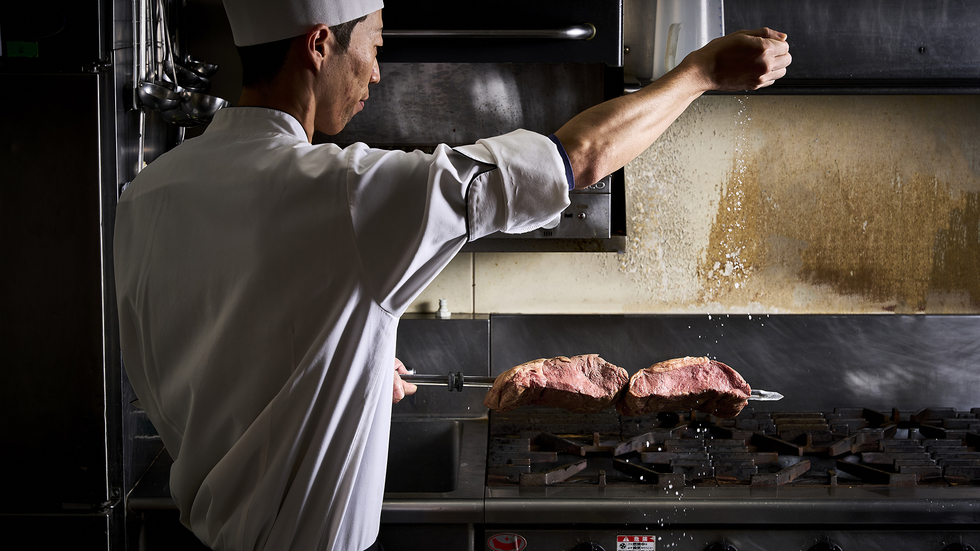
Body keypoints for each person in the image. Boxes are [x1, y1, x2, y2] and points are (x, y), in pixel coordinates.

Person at [113, 1, 791, 550]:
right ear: (319, 44)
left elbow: (204, 365)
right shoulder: (346, 194)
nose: (375, 72)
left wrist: (336, 367)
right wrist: (700, 73)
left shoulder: (148, 195)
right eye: (373, 45)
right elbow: (576, 159)